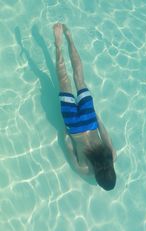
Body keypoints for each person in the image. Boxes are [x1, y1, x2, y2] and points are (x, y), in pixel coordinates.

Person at [53, 23, 116, 191]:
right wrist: (65, 130)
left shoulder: (111, 157)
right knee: (64, 82)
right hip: (74, 125)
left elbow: (104, 132)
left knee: (79, 79)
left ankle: (69, 38)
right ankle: (58, 43)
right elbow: (67, 144)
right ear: (97, 178)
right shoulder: (83, 169)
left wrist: (96, 116)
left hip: (89, 119)